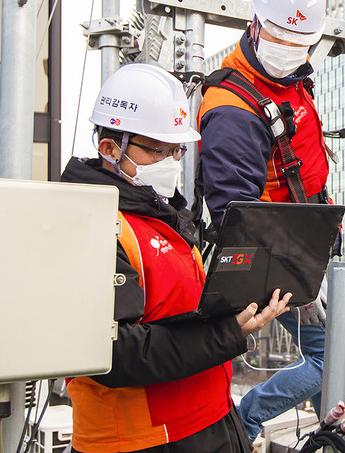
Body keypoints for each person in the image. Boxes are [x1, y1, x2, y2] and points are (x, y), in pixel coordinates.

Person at [62, 63, 292, 453]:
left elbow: (181, 310)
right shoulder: (88, 223)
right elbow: (113, 353)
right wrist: (229, 332)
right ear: (109, 148)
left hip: (211, 420)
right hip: (141, 441)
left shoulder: (162, 217)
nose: (171, 160)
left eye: (176, 150)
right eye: (158, 150)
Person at [198, 0, 334, 442]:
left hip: (307, 250)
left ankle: (331, 434)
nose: (289, 51)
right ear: (253, 24)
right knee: (331, 359)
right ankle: (245, 419)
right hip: (290, 259)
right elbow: (239, 218)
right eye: (279, 36)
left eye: (300, 44)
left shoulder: (286, 78)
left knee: (334, 362)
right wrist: (300, 277)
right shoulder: (232, 107)